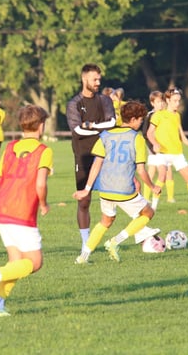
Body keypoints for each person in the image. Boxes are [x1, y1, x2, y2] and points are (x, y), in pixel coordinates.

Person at [0, 105, 52, 317]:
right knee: (35, 263)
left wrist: (7, 197)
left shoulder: (10, 147)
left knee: (16, 262)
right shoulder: (43, 151)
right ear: (42, 125)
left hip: (2, 209)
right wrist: (44, 204)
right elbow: (40, 185)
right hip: (22, 212)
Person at [72, 101, 162, 263]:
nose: (141, 122)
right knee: (148, 213)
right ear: (133, 119)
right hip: (124, 189)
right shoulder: (137, 139)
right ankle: (115, 241)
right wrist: (153, 186)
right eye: (140, 120)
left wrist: (87, 189)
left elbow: (97, 163)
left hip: (105, 188)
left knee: (106, 221)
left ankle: (83, 257)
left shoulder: (105, 135)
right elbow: (141, 170)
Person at [66, 64, 116, 252]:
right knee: (84, 201)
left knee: (120, 194)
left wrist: (90, 125)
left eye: (99, 79)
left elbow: (112, 122)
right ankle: (85, 242)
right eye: (94, 79)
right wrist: (97, 127)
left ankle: (140, 233)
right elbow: (77, 129)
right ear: (84, 79)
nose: (98, 83)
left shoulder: (104, 100)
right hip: (83, 156)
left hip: (105, 154)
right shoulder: (74, 104)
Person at [147, 88, 188, 210]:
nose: (177, 103)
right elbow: (149, 133)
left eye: (179, 101)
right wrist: (154, 143)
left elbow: (182, 136)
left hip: (177, 153)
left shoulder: (177, 116)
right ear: (168, 100)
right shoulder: (158, 115)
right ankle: (153, 207)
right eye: (175, 101)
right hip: (162, 153)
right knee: (162, 176)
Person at [142, 91, 175, 203]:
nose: (160, 104)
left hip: (166, 148)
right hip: (153, 148)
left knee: (169, 170)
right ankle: (146, 197)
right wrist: (153, 147)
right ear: (152, 103)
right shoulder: (150, 116)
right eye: (158, 102)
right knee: (152, 170)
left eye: (162, 102)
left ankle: (170, 198)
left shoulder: (166, 114)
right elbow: (146, 134)